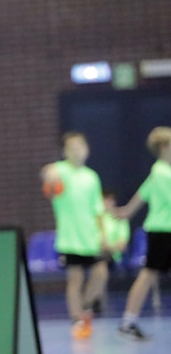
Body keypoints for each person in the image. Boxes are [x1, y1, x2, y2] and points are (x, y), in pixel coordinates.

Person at [41, 132, 107, 339]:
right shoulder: (60, 171)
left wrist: (102, 235)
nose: (77, 150)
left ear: (87, 149)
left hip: (90, 237)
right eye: (72, 147)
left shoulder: (92, 177)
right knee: (75, 278)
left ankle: (85, 308)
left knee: (101, 273)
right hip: (69, 239)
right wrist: (49, 173)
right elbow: (46, 172)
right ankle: (76, 319)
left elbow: (98, 210)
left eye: (80, 146)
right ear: (65, 152)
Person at [115, 127, 171, 341]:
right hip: (162, 232)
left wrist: (127, 211)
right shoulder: (162, 172)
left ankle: (128, 322)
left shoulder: (160, 171)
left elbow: (142, 193)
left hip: (163, 231)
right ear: (165, 147)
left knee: (148, 275)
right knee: (148, 274)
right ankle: (128, 323)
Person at [92, 188, 131, 313]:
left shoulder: (119, 218)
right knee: (97, 263)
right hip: (94, 254)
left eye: (110, 200)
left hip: (113, 257)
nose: (108, 203)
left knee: (101, 264)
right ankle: (92, 299)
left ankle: (92, 300)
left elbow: (121, 246)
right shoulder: (95, 218)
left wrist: (107, 246)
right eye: (104, 201)